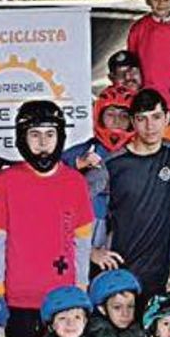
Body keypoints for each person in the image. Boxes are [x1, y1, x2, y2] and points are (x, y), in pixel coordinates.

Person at [0, 99, 93, 337]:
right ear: (21, 138)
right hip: (17, 303)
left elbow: (82, 242)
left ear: (60, 137)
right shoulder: (4, 182)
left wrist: (80, 292)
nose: (43, 143)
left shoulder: (75, 182)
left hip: (63, 304)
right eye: (34, 135)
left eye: (49, 134)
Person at [96, 89, 170, 297]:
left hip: (163, 274)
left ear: (167, 118)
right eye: (141, 119)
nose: (150, 126)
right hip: (121, 271)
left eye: (156, 117)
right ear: (133, 123)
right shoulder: (112, 165)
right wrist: (91, 252)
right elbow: (81, 210)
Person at [62, 86, 133, 246]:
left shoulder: (140, 154)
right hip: (88, 227)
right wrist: (77, 164)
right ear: (99, 116)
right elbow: (49, 177)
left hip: (128, 227)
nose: (117, 120)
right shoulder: (82, 152)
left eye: (124, 115)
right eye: (110, 114)